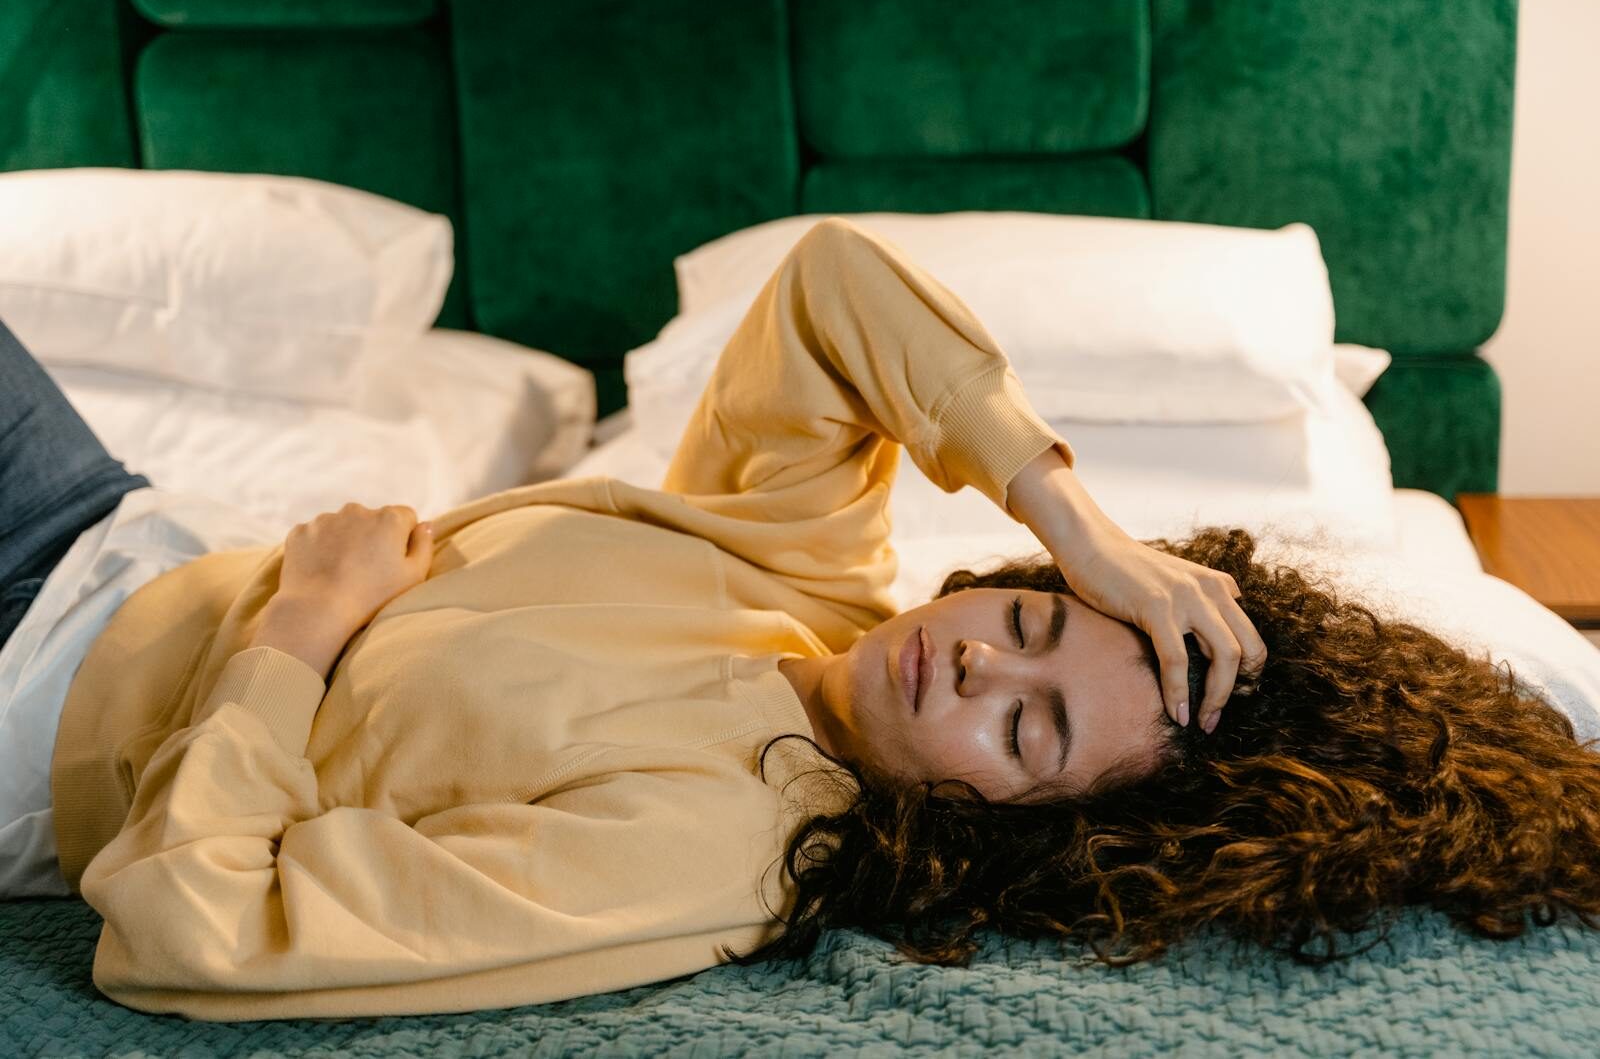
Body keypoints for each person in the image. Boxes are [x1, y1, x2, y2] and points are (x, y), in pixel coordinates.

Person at [0, 218, 1585, 1023]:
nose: (975, 659)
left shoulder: (715, 844)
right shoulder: (811, 580)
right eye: (1032, 627)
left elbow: (194, 927)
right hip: (118, 524)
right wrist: (1074, 523)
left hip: (31, 694)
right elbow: (832, 287)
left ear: (1021, 835)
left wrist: (307, 634)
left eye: (1024, 728)